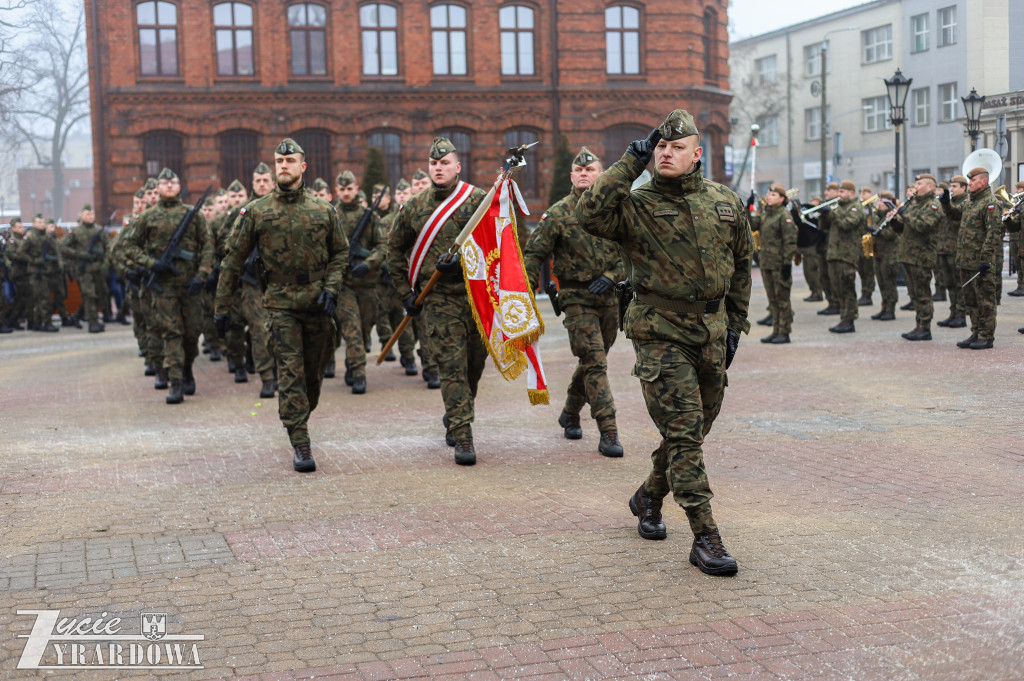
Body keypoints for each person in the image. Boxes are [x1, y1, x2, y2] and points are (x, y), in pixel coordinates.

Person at [575, 110, 752, 576]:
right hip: (659, 333)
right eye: (659, 147)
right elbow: (587, 214)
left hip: (711, 334)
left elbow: (742, 266)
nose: (666, 153)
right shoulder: (636, 203)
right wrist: (627, 164)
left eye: (677, 148)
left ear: (697, 155)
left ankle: (649, 495)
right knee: (685, 434)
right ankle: (705, 537)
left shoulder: (724, 201)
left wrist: (735, 324)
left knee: (694, 430)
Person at [215, 138, 347, 471]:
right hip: (279, 304)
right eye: (278, 161)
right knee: (289, 373)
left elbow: (341, 252)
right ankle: (300, 441)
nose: (283, 166)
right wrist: (221, 307)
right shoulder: (257, 211)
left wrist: (332, 288)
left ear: (303, 166)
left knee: (313, 376)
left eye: (290, 161)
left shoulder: (323, 210)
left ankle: (302, 412)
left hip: (318, 303)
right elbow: (233, 260)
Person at [389, 137, 489, 465]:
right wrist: (407, 294)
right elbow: (394, 249)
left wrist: (464, 266)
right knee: (451, 367)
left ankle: (456, 412)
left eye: (445, 163)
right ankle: (463, 434)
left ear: (458, 167)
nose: (438, 168)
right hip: (438, 301)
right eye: (434, 164)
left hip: (476, 298)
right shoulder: (415, 207)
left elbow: (498, 246)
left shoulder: (477, 201)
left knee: (474, 365)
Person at [524, 146, 627, 456]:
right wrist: (525, 293)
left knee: (593, 360)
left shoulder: (616, 209)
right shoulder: (558, 213)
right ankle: (608, 430)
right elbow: (534, 254)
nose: (584, 173)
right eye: (579, 170)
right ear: (572, 176)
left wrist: (612, 275)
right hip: (575, 298)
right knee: (595, 359)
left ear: (601, 175)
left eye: (590, 169)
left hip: (609, 296)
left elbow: (632, 253)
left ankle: (570, 411)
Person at [121, 168, 215, 403]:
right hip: (164, 288)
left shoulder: (193, 215)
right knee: (171, 333)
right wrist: (151, 264)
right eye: (165, 183)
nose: (169, 186)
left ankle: (187, 367)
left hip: (191, 286)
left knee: (192, 333)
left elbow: (208, 247)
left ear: (179, 185)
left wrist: (201, 275)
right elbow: (129, 246)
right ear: (159, 188)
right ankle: (176, 382)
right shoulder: (147, 217)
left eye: (173, 182)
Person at [948, 167, 1002, 349]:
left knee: (985, 300)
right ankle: (976, 332)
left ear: (984, 182)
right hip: (965, 261)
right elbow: (954, 215)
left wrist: (986, 259)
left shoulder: (990, 203)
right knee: (970, 300)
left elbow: (994, 233)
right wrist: (944, 203)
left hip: (980, 263)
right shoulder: (970, 203)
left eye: (972, 181)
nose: (969, 184)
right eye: (968, 181)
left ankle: (986, 336)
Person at [888, 174, 941, 341]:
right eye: (916, 184)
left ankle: (925, 327)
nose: (916, 187)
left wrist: (905, 214)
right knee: (914, 294)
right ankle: (918, 325)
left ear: (930, 187)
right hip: (909, 255)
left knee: (923, 293)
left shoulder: (933, 205)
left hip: (922, 257)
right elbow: (902, 229)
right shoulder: (914, 204)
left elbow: (922, 226)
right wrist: (894, 220)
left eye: (919, 184)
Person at [750, 183, 797, 343]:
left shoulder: (784, 215)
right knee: (773, 300)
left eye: (773, 195)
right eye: (769, 194)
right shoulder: (767, 213)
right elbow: (752, 224)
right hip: (766, 263)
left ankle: (784, 331)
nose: (769, 196)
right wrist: (749, 208)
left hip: (779, 264)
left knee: (782, 299)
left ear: (782, 199)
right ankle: (776, 330)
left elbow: (790, 242)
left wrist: (786, 264)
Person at [824, 180, 866, 334]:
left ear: (851, 193)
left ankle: (849, 320)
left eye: (842, 192)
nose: (839, 195)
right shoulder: (839, 208)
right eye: (839, 192)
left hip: (848, 255)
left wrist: (832, 212)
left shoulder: (856, 208)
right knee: (838, 289)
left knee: (847, 288)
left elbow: (846, 224)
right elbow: (825, 227)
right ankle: (843, 318)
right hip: (835, 253)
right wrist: (824, 215)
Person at [63, 205, 109, 333]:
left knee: (100, 294)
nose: (90, 217)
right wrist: (79, 254)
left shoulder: (100, 230)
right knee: (89, 295)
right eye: (87, 214)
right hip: (85, 269)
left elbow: (108, 248)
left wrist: (106, 263)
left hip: (98, 268)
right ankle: (92, 322)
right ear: (82, 216)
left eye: (92, 214)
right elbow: (62, 246)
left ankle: (77, 316)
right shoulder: (76, 231)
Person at [935, 177, 969, 327]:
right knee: (949, 284)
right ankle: (953, 313)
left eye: (955, 186)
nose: (952, 189)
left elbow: (955, 217)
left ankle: (961, 315)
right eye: (951, 186)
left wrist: (946, 204)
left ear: (964, 188)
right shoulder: (947, 203)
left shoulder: (965, 203)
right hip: (943, 248)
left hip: (956, 249)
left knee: (958, 284)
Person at [868, 191, 899, 321]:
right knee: (881, 283)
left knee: (889, 284)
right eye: (879, 201)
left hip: (890, 255)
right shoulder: (877, 215)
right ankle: (884, 307)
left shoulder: (893, 216)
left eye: (883, 201)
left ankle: (890, 310)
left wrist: (875, 228)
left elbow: (890, 234)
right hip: (878, 254)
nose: (879, 203)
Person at [1006, 180, 1024, 297]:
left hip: (1021, 239)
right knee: (1018, 264)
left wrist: (1020, 211)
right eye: (1016, 189)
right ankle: (1020, 286)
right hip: (1016, 237)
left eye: (1019, 189)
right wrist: (1007, 219)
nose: (1016, 192)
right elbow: (1016, 224)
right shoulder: (1019, 204)